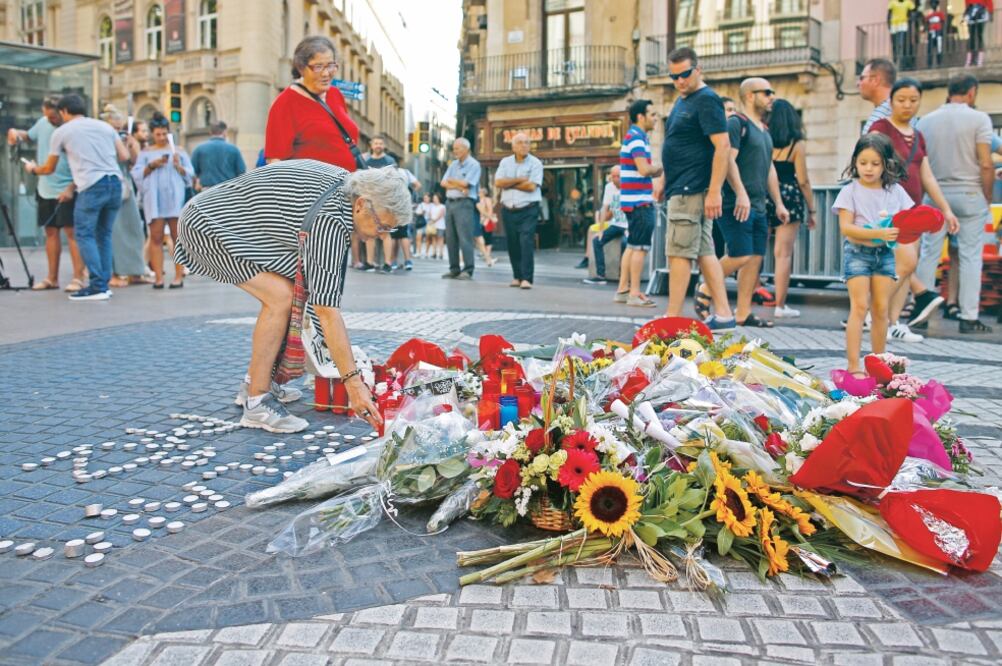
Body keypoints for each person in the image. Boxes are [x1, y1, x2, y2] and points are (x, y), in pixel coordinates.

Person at [175, 163, 410, 433]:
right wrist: (353, 384)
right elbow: (326, 310)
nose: (382, 236)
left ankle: (254, 383)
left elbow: (319, 290)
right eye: (383, 226)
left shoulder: (346, 187)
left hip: (219, 218)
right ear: (361, 205)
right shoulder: (331, 220)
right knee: (281, 298)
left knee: (288, 291)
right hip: (207, 227)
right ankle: (257, 402)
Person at [869, 78, 958, 341]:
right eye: (901, 99)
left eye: (913, 100)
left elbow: (926, 175)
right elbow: (867, 164)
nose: (907, 105)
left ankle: (894, 322)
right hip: (888, 210)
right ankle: (879, 316)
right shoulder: (880, 128)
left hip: (914, 211)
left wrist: (946, 210)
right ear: (891, 101)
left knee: (907, 267)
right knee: (900, 263)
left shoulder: (918, 134)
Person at [697, 78, 789, 328]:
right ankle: (705, 288)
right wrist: (740, 193)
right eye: (766, 92)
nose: (771, 97)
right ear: (750, 96)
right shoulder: (736, 123)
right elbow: (728, 159)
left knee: (755, 259)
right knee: (739, 255)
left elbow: (769, 167)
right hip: (735, 203)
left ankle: (743, 313)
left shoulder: (764, 129)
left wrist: (778, 203)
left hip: (759, 204)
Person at [25, 94, 129, 301]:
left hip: (91, 186)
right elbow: (124, 156)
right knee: (104, 235)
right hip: (115, 184)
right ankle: (104, 284)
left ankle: (97, 285)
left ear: (63, 112)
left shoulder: (62, 132)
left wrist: (32, 169)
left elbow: (49, 168)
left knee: (84, 234)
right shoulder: (104, 127)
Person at [661, 48, 736, 329]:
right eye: (674, 76)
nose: (679, 80)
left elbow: (723, 146)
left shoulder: (706, 100)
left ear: (698, 69)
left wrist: (715, 190)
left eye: (684, 74)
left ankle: (672, 317)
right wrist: (664, 181)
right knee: (705, 252)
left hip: (691, 188)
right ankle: (725, 313)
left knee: (679, 252)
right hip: (682, 185)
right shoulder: (685, 100)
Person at [915, 74, 995, 333]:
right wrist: (987, 195)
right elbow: (986, 162)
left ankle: (922, 311)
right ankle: (968, 317)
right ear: (972, 92)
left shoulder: (925, 122)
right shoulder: (979, 119)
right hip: (970, 193)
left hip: (935, 193)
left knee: (929, 254)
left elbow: (920, 164)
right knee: (972, 256)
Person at [834, 134, 912, 376]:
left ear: (886, 164)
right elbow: (846, 228)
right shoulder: (850, 191)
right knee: (859, 307)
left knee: (881, 309)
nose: (868, 169)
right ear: (855, 162)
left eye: (875, 164)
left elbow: (908, 221)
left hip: (885, 255)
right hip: (857, 254)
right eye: (863, 162)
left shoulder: (895, 191)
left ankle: (878, 363)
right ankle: (854, 365)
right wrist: (877, 232)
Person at [7, 97, 84, 292]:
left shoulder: (71, 129)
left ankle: (78, 277)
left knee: (72, 232)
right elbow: (29, 136)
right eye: (47, 117)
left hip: (67, 186)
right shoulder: (43, 123)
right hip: (46, 188)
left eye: (53, 116)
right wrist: (15, 133)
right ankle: (52, 278)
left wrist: (35, 170)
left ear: (63, 111)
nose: (50, 120)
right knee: (50, 232)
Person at [131, 112, 195, 289]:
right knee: (156, 237)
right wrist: (152, 165)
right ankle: (158, 277)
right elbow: (136, 174)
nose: (161, 137)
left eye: (164, 133)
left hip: (174, 198)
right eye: (157, 134)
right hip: (155, 198)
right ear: (152, 133)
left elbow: (190, 174)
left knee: (177, 236)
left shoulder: (179, 151)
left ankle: (178, 275)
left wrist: (178, 166)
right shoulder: (146, 153)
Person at [766, 99, 816, 319]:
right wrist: (812, 209)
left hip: (767, 195)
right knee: (783, 255)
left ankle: (744, 301)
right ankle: (780, 305)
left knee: (756, 252)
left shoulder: (765, 139)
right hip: (790, 197)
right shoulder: (797, 145)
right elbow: (803, 180)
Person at [614, 99, 662, 308]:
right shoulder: (636, 139)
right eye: (652, 114)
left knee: (632, 246)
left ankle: (623, 290)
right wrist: (659, 169)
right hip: (640, 201)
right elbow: (644, 169)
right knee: (640, 247)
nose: (655, 118)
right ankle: (634, 293)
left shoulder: (634, 137)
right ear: (640, 117)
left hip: (632, 201)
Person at [99, 105, 147, 288]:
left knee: (133, 228)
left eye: (120, 128)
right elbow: (118, 158)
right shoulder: (101, 140)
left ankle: (135, 270)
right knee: (113, 232)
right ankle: (114, 272)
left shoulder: (124, 140)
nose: (117, 132)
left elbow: (134, 161)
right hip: (110, 186)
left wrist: (132, 145)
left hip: (125, 188)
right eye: (115, 128)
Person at [496, 132, 543, 289]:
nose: (524, 145)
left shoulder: (535, 163)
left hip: (528, 209)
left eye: (527, 142)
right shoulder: (505, 162)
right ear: (513, 146)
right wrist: (519, 180)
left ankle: (527, 279)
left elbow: (531, 187)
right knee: (513, 243)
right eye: (520, 142)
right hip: (508, 209)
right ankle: (517, 276)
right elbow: (498, 182)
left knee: (526, 242)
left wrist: (509, 183)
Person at [440, 138, 481, 280]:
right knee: (450, 238)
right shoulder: (453, 165)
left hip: (464, 203)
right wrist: (458, 186)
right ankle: (454, 268)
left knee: (465, 237)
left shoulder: (474, 164)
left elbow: (467, 183)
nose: (455, 151)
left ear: (466, 149)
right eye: (454, 148)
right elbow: (443, 182)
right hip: (450, 202)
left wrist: (456, 182)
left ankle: (468, 269)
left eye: (457, 148)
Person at [584, 166, 628, 285]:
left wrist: (630, 228)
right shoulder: (609, 187)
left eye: (618, 176)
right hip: (616, 223)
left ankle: (623, 276)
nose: (616, 179)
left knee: (625, 243)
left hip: (628, 225)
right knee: (597, 241)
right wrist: (601, 229)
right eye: (613, 176)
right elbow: (604, 208)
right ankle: (600, 275)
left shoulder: (629, 186)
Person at [359, 136, 398, 273]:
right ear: (371, 144)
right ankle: (370, 263)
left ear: (384, 145)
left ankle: (387, 263)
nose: (378, 145)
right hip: (369, 199)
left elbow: (394, 179)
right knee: (370, 232)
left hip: (384, 200)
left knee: (385, 233)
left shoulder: (389, 161)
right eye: (376, 143)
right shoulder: (366, 160)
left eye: (380, 143)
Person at [191, 121, 246, 191]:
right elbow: (241, 171)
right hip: (228, 191)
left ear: (210, 132)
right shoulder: (233, 149)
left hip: (206, 192)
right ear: (225, 132)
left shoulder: (199, 149)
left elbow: (192, 171)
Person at [859, 58, 900, 134]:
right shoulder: (895, 110)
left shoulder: (888, 114)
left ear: (875, 80)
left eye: (862, 78)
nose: (858, 83)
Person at [964, 0, 993, 67]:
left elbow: (989, 2)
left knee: (979, 36)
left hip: (981, 12)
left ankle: (980, 59)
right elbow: (967, 3)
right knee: (971, 37)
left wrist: (990, 12)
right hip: (971, 12)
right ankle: (970, 59)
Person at [888, 1, 917, 68]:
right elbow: (889, 14)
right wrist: (888, 24)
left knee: (902, 44)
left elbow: (913, 11)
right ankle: (895, 60)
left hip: (903, 25)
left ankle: (902, 61)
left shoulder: (908, 2)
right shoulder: (892, 2)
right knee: (894, 44)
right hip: (894, 25)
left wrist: (910, 18)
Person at [476, 187, 498, 267]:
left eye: (480, 192)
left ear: (484, 193)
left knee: (488, 239)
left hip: (486, 221)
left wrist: (486, 218)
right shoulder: (477, 200)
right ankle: (487, 257)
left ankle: (488, 256)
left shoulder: (487, 200)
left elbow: (490, 210)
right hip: (479, 221)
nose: (479, 193)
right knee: (480, 239)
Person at [925, 0, 947, 68]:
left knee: (939, 48)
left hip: (938, 32)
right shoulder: (929, 15)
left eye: (935, 4)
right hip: (931, 33)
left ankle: (939, 63)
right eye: (932, 4)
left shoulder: (940, 14)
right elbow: (926, 23)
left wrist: (942, 32)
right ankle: (929, 64)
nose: (933, 5)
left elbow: (943, 22)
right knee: (930, 48)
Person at [426, 193, 446, 260]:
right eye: (433, 198)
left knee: (440, 239)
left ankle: (441, 253)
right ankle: (434, 253)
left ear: (439, 199)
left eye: (435, 198)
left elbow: (441, 215)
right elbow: (430, 214)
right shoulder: (432, 206)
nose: (434, 200)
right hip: (433, 225)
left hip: (440, 225)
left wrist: (433, 220)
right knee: (433, 239)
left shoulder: (442, 206)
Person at [414, 193, 429, 257]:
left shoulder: (431, 205)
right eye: (425, 198)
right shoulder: (421, 205)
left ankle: (426, 253)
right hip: (421, 224)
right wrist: (421, 213)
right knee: (418, 238)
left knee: (428, 239)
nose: (426, 199)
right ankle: (419, 252)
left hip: (429, 224)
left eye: (427, 198)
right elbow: (417, 212)